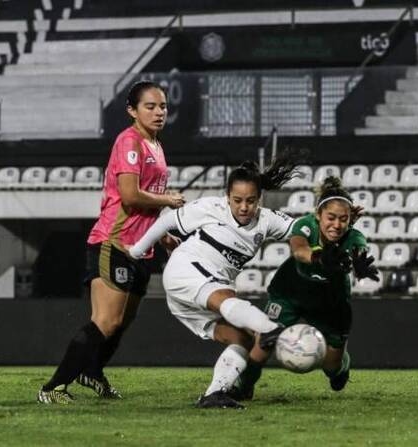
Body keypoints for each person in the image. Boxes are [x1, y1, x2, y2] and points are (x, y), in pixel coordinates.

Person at [38, 81, 185, 404]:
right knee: (106, 320)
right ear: (132, 110)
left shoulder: (156, 146)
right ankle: (53, 387)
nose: (159, 112)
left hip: (141, 248)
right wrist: (168, 201)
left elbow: (145, 208)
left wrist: (163, 236)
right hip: (113, 242)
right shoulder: (129, 141)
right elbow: (131, 196)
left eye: (162, 106)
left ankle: (92, 371)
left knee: (121, 321)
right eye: (150, 106)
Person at [129, 158, 313, 409]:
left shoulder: (268, 219)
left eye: (250, 200)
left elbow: (304, 229)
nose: (244, 207)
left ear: (259, 198)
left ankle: (214, 394)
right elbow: (166, 221)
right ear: (227, 196)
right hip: (187, 270)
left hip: (195, 296)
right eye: (237, 200)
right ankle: (269, 327)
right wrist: (138, 250)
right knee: (228, 299)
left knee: (243, 340)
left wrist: (341, 236)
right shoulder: (211, 207)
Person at [229, 176, 379, 401]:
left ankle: (342, 365)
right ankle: (244, 386)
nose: (336, 225)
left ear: (350, 220)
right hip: (291, 291)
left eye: (343, 219)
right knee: (266, 340)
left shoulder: (354, 237)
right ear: (318, 215)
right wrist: (320, 258)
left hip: (331, 302)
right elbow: (299, 250)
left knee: (332, 370)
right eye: (330, 218)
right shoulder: (305, 225)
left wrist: (358, 265)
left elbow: (358, 256)